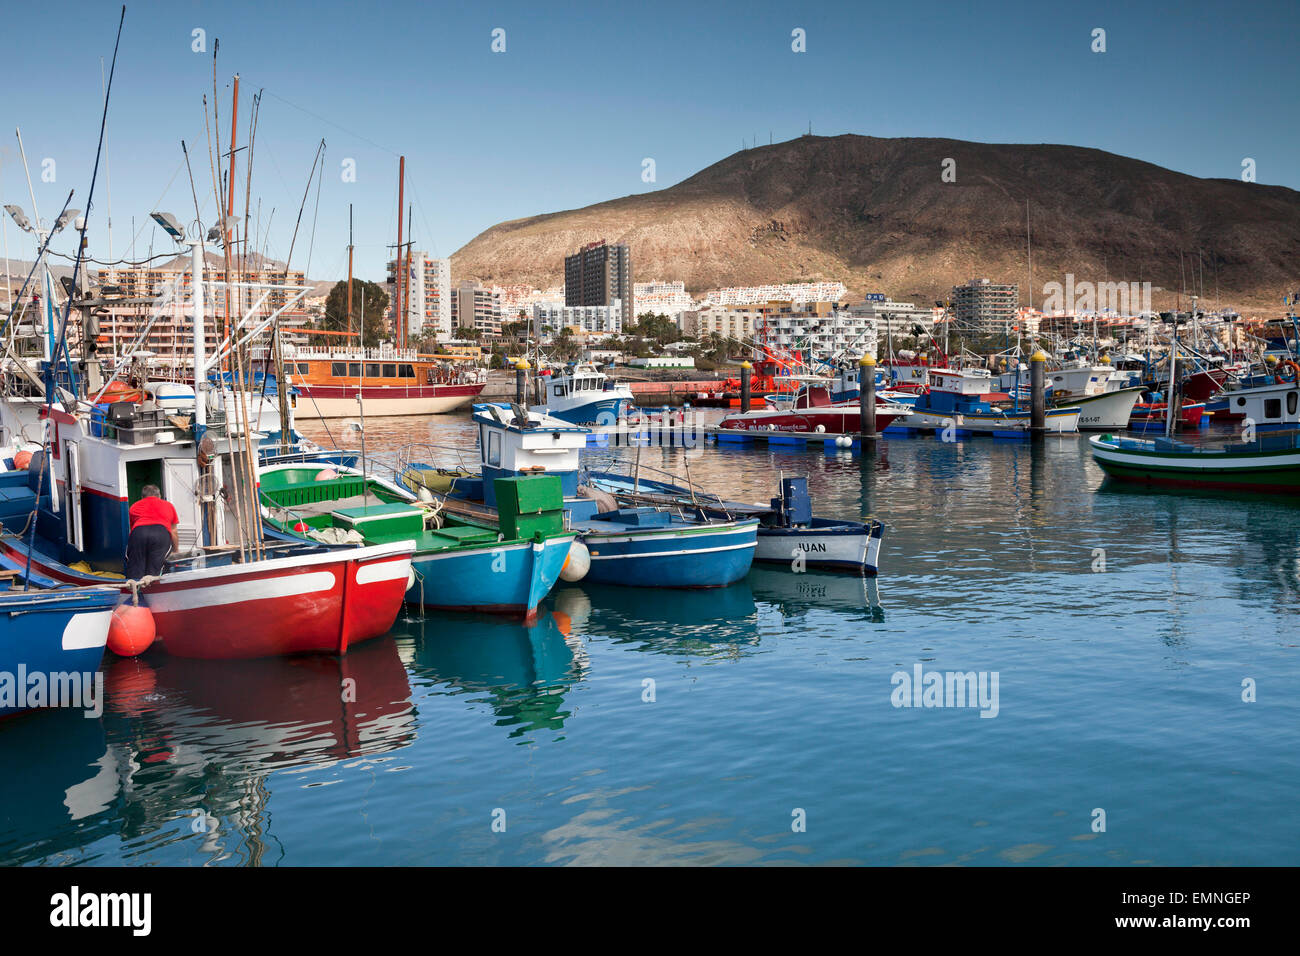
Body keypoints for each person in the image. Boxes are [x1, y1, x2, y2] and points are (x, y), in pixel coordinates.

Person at [124, 484, 179, 579]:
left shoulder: (134, 506)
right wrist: (176, 550)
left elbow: (132, 529)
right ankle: (154, 591)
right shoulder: (168, 505)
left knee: (135, 567)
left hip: (139, 533)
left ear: (142, 497)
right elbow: (173, 531)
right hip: (160, 533)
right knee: (155, 568)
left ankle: (134, 590)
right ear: (159, 496)